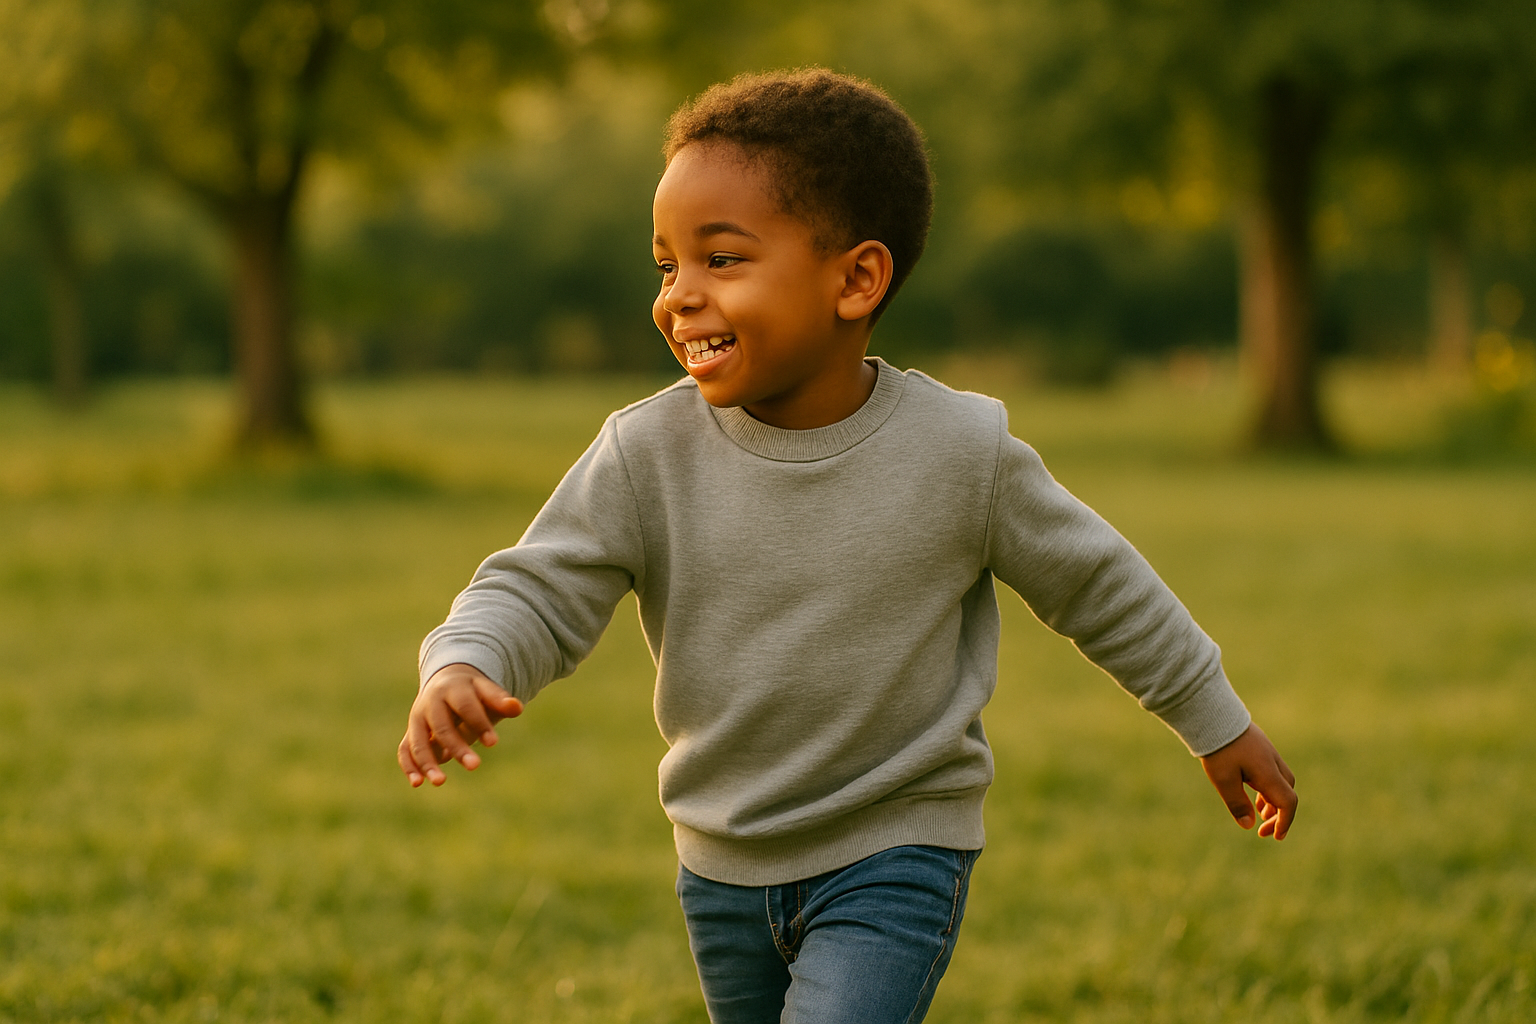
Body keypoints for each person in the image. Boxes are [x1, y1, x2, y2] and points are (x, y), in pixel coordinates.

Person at [398, 68, 1298, 1023]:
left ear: (857, 279)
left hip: (896, 852)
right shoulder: (644, 452)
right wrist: (463, 661)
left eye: (723, 260)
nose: (678, 299)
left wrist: (1216, 718)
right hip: (722, 861)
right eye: (668, 267)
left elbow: (1101, 588)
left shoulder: (960, 452)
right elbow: (538, 587)